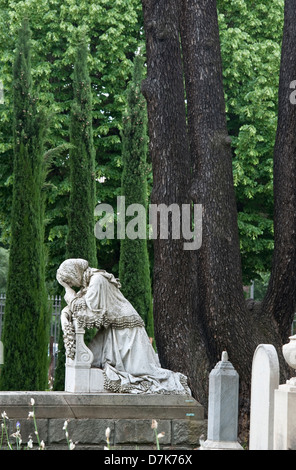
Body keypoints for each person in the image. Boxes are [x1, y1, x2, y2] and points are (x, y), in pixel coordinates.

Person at [56, 258, 191, 395]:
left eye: (69, 281)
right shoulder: (89, 283)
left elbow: (88, 313)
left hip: (126, 332)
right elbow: (80, 305)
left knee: (139, 373)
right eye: (68, 284)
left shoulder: (97, 280)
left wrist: (69, 294)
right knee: (92, 360)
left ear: (74, 274)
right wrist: (66, 310)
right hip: (113, 329)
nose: (70, 285)